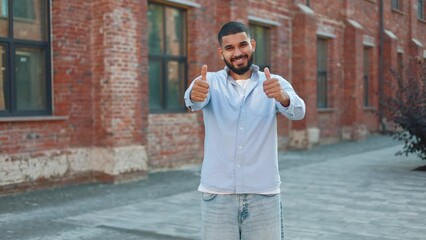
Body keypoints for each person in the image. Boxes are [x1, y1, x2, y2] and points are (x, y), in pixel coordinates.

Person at [184, 21, 306, 240]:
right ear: (221, 52)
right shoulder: (208, 81)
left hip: (263, 196)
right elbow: (193, 100)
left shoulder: (273, 83)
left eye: (242, 45)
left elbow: (298, 112)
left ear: (252, 44)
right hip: (218, 197)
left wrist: (282, 97)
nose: (237, 53)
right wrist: (195, 95)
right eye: (229, 48)